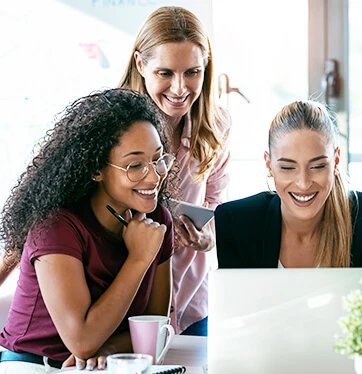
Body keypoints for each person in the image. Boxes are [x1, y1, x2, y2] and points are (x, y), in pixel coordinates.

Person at [0, 88, 175, 372]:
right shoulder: (57, 226)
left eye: (158, 159)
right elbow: (81, 341)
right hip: (34, 365)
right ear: (96, 169)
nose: (154, 175)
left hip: (104, 364)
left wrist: (108, 349)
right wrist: (139, 259)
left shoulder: (157, 220)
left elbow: (154, 327)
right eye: (135, 165)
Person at [118, 6, 231, 337]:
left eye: (192, 72)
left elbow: (215, 208)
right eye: (165, 73)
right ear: (141, 65)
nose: (181, 89)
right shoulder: (114, 126)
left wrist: (206, 238)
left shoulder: (216, 126)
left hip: (191, 304)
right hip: (128, 302)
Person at [215, 100, 362, 269]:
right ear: (269, 165)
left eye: (317, 166)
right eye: (288, 167)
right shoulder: (235, 223)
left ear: (336, 161)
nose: (304, 184)